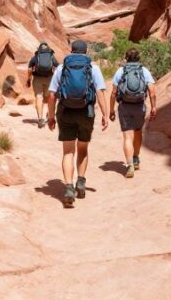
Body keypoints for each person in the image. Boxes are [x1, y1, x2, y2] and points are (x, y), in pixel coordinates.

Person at [46, 40, 109, 206]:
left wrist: (51, 116)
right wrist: (105, 113)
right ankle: (80, 182)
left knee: (68, 151)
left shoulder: (62, 67)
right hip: (86, 112)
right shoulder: (93, 67)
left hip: (65, 111)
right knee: (83, 148)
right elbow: (100, 92)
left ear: (71, 51)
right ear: (86, 51)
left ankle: (68, 187)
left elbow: (52, 95)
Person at [109, 48, 157, 178]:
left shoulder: (121, 71)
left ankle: (129, 165)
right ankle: (136, 158)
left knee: (127, 137)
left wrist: (111, 109)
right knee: (138, 132)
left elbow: (114, 92)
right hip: (139, 106)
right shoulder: (144, 70)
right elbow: (152, 92)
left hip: (124, 106)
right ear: (139, 58)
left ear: (126, 58)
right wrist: (153, 107)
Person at [27, 42, 58, 128]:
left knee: (39, 97)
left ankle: (40, 119)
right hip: (49, 79)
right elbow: (57, 67)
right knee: (49, 98)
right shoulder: (51, 56)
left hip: (37, 79)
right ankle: (50, 116)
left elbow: (29, 69)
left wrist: (28, 79)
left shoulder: (36, 57)